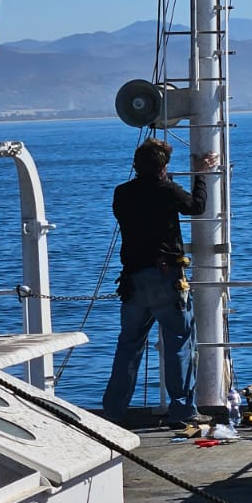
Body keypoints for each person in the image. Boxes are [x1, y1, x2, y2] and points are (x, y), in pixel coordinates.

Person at [101, 138, 220, 427]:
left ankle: (113, 412)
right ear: (164, 168)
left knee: (128, 345)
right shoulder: (166, 189)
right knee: (178, 343)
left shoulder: (122, 193)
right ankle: (182, 411)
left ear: (135, 165)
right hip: (166, 277)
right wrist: (201, 175)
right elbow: (195, 206)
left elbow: (125, 215)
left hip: (132, 280)